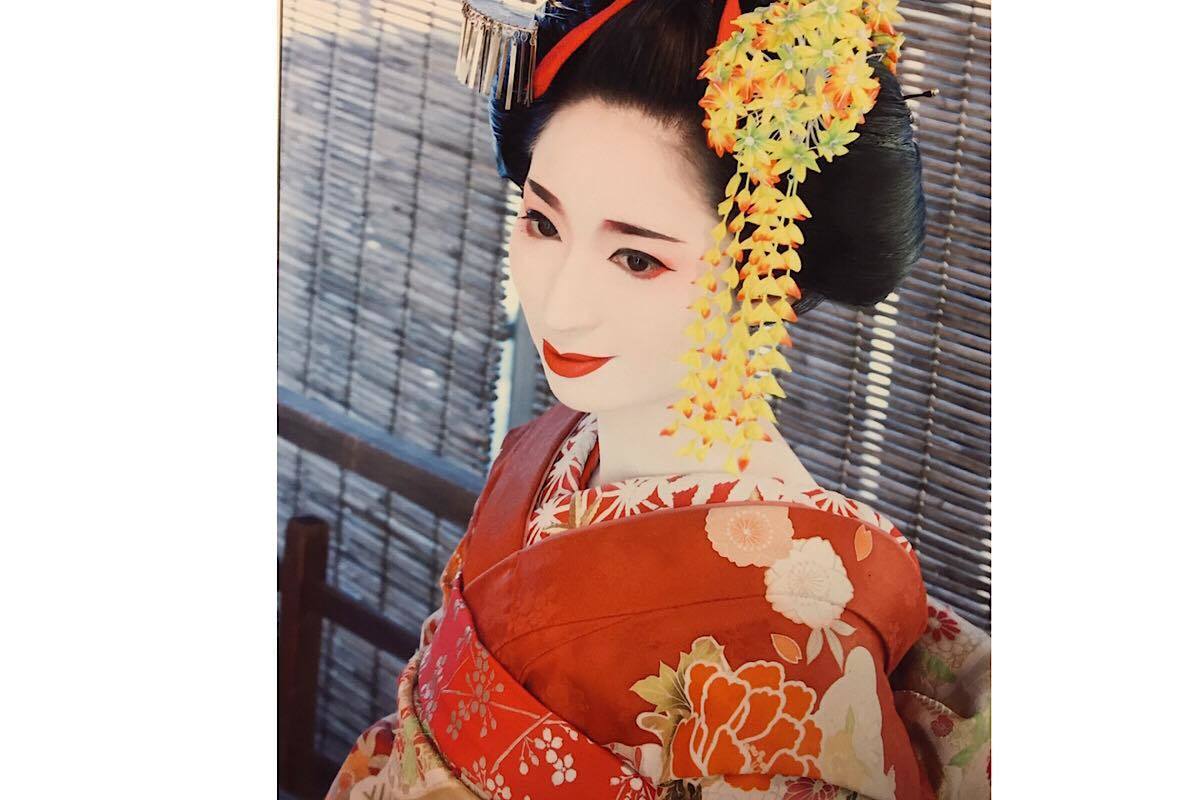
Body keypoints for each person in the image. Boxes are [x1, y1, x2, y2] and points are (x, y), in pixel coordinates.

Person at [326, 1, 991, 798]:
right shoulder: (550, 448)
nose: (562, 304)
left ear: (770, 275)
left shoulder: (800, 626)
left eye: (637, 259)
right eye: (542, 222)